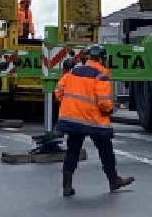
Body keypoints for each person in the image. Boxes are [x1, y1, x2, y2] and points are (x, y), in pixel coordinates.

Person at [54, 44, 133, 198]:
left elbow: (59, 92)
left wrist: (73, 106)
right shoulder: (101, 76)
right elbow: (103, 103)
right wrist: (110, 110)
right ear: (102, 59)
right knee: (106, 150)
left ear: (87, 58)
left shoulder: (72, 72)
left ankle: (67, 186)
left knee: (72, 150)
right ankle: (114, 180)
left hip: (72, 119)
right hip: (93, 120)